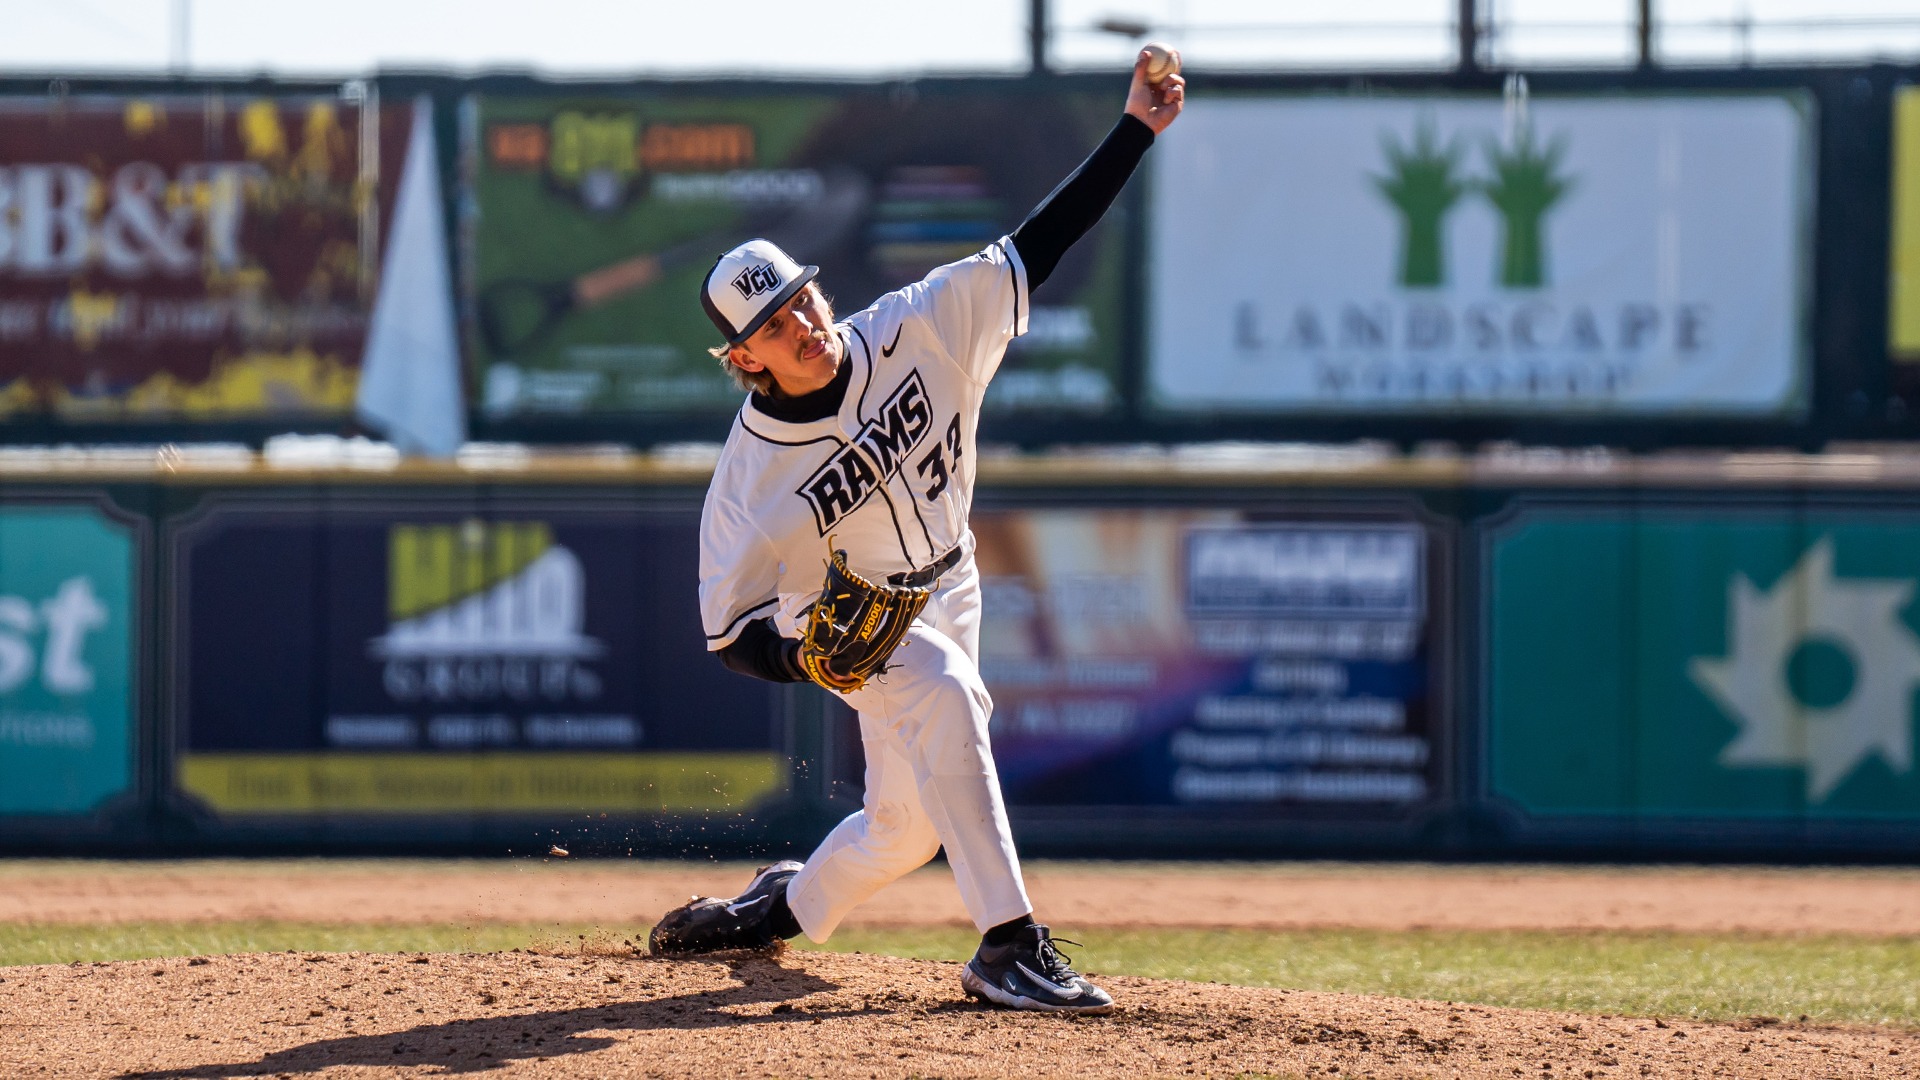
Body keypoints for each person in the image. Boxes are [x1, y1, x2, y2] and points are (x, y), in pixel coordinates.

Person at [650, 50, 1184, 1015]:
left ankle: (780, 908)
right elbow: (729, 635)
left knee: (904, 830)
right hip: (853, 620)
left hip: (953, 577)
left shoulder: (920, 325)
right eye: (772, 325)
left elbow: (1039, 243)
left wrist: (1134, 131)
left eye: (801, 297)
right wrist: (810, 655)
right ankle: (1008, 946)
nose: (802, 323)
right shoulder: (748, 479)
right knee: (942, 690)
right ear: (742, 358)